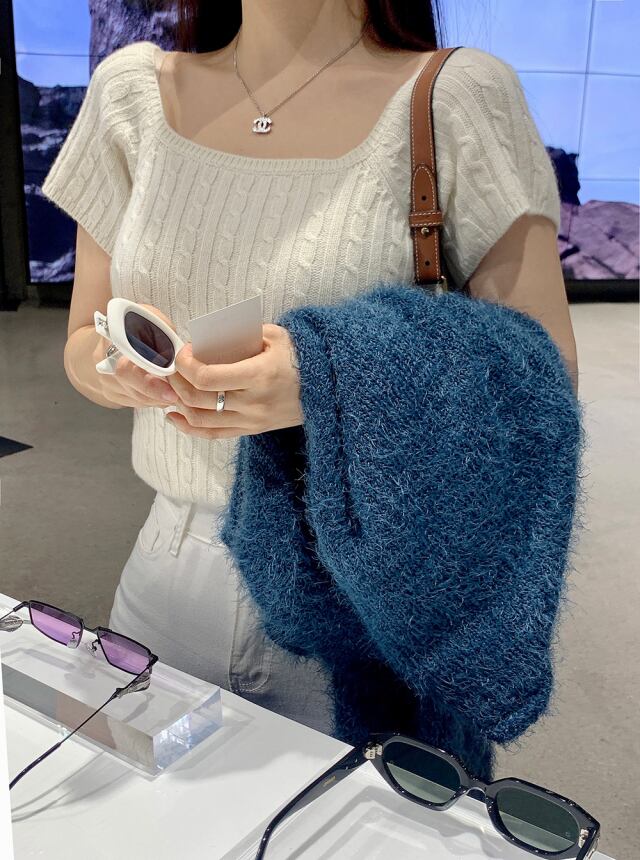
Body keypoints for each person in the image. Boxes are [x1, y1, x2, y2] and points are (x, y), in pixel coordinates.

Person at [42, 0, 578, 738]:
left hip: (356, 596)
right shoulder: (130, 92)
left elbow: (542, 374)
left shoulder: (455, 96)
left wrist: (328, 377)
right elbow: (84, 336)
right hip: (166, 567)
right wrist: (119, 370)